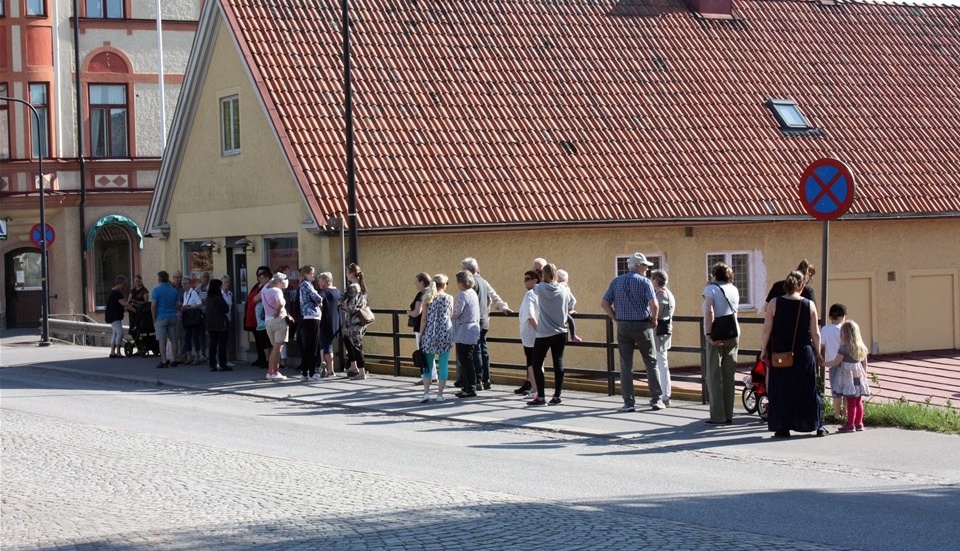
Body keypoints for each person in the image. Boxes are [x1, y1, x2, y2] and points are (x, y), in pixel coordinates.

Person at [760, 270, 826, 438]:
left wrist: (763, 350)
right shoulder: (808, 304)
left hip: (781, 352)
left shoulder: (774, 303)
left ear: (785, 287)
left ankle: (782, 426)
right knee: (808, 389)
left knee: (782, 389)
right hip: (803, 352)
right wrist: (818, 353)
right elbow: (815, 333)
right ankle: (816, 424)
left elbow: (766, 329)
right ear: (802, 287)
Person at [601, 252, 663, 412]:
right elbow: (654, 304)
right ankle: (657, 399)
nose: (647, 269)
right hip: (642, 325)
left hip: (623, 325)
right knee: (650, 362)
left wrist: (615, 318)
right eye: (645, 266)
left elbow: (604, 303)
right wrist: (655, 319)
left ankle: (628, 402)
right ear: (638, 266)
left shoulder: (617, 281)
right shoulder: (645, 282)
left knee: (626, 365)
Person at [528, 263, 576, 406]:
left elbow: (533, 288)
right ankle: (557, 395)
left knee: (536, 364)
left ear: (543, 275)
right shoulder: (564, 289)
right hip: (561, 331)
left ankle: (541, 396)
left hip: (544, 333)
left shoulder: (540, 288)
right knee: (558, 363)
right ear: (556, 275)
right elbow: (572, 303)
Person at [460, 257, 511, 391]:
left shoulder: (471, 283)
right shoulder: (483, 281)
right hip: (484, 320)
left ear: (467, 270)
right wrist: (503, 307)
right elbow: (494, 297)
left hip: (474, 322)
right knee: (483, 349)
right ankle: (486, 379)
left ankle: (478, 380)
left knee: (475, 351)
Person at [702, 263, 740, 425]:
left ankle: (718, 416)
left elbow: (709, 311)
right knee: (728, 376)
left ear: (714, 275)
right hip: (733, 333)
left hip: (717, 334)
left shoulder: (711, 289)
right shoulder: (734, 289)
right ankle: (729, 414)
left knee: (713, 376)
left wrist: (709, 334)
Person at [825, 320, 871, 433]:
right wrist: (864, 376)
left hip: (848, 376)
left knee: (850, 400)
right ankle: (859, 423)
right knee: (858, 400)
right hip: (859, 375)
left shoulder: (844, 348)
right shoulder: (861, 347)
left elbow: (836, 362)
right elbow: (864, 363)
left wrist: (824, 363)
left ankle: (850, 424)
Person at [417, 274, 453, 403]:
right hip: (445, 335)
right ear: (444, 285)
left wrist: (421, 335)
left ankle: (426, 393)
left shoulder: (427, 298)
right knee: (443, 365)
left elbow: (424, 319)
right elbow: (451, 315)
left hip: (430, 335)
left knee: (427, 365)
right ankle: (440, 395)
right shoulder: (449, 298)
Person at [451, 270, 480, 398]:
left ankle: (470, 388)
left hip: (464, 330)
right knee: (468, 359)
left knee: (465, 360)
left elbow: (456, 312)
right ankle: (468, 386)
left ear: (461, 282)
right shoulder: (473, 293)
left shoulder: (463, 294)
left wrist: (449, 312)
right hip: (473, 328)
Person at [339, 263, 370, 380]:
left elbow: (351, 305)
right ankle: (353, 366)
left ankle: (361, 372)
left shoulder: (353, 287)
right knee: (348, 340)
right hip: (359, 320)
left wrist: (341, 303)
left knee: (356, 345)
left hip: (353, 320)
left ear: (351, 274)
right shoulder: (361, 287)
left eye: (347, 272)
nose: (346, 275)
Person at [651, 269, 675, 406]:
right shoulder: (666, 293)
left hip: (660, 333)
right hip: (662, 332)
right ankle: (663, 394)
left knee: (661, 363)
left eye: (652, 278)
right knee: (661, 363)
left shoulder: (662, 295)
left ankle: (664, 395)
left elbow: (656, 314)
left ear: (656, 280)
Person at [821, 303, 848, 424]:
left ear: (830, 317)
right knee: (847, 390)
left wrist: (821, 359)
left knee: (836, 392)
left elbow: (821, 345)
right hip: (847, 364)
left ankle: (837, 415)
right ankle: (847, 414)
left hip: (833, 364)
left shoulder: (825, 330)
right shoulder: (845, 330)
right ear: (844, 317)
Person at [407, 272, 437, 384]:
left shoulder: (421, 294)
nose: (415, 284)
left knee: (422, 352)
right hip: (432, 326)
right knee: (430, 352)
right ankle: (433, 376)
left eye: (417, 281)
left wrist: (409, 313)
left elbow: (417, 312)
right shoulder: (433, 292)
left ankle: (426, 376)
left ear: (422, 282)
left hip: (421, 326)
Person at [515, 270, 540, 397]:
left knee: (531, 361)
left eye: (528, 278)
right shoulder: (541, 292)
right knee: (538, 361)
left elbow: (530, 314)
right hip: (539, 331)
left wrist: (537, 328)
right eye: (524, 279)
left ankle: (535, 390)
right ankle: (537, 389)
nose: (525, 281)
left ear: (535, 280)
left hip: (530, 331)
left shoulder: (531, 294)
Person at [260, 272, 290, 381]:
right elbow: (281, 303)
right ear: (280, 282)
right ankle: (273, 372)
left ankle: (271, 372)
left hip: (268, 321)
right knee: (278, 348)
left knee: (275, 348)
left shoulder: (264, 289)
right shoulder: (277, 291)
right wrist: (277, 312)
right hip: (278, 320)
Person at [298, 265, 324, 382]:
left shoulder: (302, 285)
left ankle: (304, 372)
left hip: (306, 317)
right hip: (312, 317)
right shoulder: (307, 285)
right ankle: (312, 373)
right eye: (312, 273)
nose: (314, 275)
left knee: (307, 346)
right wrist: (319, 302)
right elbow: (318, 298)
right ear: (306, 274)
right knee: (313, 346)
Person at [150, 270, 180, 368]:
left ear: (159, 279)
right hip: (172, 316)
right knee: (173, 339)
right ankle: (174, 360)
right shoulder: (173, 290)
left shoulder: (156, 290)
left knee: (162, 340)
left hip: (161, 317)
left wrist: (153, 317)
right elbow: (177, 304)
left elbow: (153, 306)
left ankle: (164, 361)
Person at [244, 267, 273, 367]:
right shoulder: (258, 286)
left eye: (262, 276)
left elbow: (256, 299)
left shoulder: (268, 287)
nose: (260, 278)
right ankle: (262, 358)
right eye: (259, 275)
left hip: (264, 317)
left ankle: (268, 360)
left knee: (266, 340)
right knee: (260, 340)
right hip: (257, 317)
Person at [316, 272, 341, 378]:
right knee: (327, 344)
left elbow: (318, 300)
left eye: (320, 281)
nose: (318, 283)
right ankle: (326, 366)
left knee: (327, 346)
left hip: (325, 321)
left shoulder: (324, 291)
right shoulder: (337, 291)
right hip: (336, 321)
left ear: (326, 282)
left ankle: (330, 370)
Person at [205, 278, 232, 372]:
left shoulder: (208, 298)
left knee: (212, 344)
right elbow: (226, 309)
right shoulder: (219, 298)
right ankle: (222, 364)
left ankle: (212, 364)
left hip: (211, 324)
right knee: (222, 345)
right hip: (221, 325)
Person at [180, 274, 204, 365]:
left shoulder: (193, 292)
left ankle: (197, 356)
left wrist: (188, 307)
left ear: (190, 284)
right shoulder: (185, 293)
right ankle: (189, 356)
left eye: (185, 283)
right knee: (187, 338)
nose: (183, 285)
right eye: (182, 284)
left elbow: (199, 304)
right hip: (187, 317)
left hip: (193, 318)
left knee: (195, 338)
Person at [556, 269, 582, 343]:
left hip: (559, 310)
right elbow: (573, 300)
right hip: (561, 310)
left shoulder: (561, 286)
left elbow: (573, 300)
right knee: (569, 321)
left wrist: (566, 309)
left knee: (569, 320)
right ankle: (572, 336)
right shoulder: (563, 286)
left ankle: (572, 336)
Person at [105, 275, 127, 358]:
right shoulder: (116, 293)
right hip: (115, 316)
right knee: (120, 332)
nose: (124, 287)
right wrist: (133, 309)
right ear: (119, 283)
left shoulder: (112, 292)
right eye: (124, 285)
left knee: (114, 333)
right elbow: (124, 303)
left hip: (112, 316)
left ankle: (112, 352)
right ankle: (118, 351)